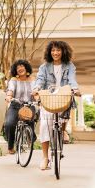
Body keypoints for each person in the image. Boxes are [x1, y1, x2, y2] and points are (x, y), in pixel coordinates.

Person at [32, 40, 80, 170]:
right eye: (53, 50)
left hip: (63, 95)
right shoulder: (44, 67)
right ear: (49, 52)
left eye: (58, 50)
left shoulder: (69, 66)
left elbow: (72, 80)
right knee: (44, 125)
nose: (55, 52)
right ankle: (45, 157)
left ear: (63, 51)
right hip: (48, 96)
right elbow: (40, 80)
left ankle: (63, 130)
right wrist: (36, 89)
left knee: (65, 112)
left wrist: (75, 89)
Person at [4, 59, 34, 154]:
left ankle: (30, 138)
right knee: (9, 124)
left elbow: (35, 92)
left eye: (22, 66)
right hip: (15, 105)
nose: (20, 68)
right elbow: (11, 89)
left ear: (26, 67)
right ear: (15, 71)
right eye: (17, 68)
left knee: (31, 120)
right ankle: (10, 146)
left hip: (29, 105)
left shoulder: (33, 80)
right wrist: (9, 96)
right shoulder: (14, 80)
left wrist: (39, 99)